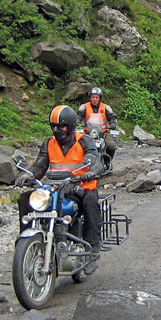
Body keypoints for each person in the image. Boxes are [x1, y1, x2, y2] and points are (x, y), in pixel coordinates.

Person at [19, 105, 104, 258]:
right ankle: (25, 243)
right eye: (54, 126)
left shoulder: (85, 140)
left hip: (81, 186)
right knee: (25, 199)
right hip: (55, 187)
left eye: (62, 126)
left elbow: (94, 159)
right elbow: (40, 165)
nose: (58, 130)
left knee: (91, 202)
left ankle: (92, 247)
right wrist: (29, 175)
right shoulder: (49, 143)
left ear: (71, 126)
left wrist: (91, 172)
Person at [77, 86, 118, 167]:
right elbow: (78, 115)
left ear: (99, 98)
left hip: (103, 132)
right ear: (90, 98)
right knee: (78, 144)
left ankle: (107, 161)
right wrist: (77, 121)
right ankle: (79, 162)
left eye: (96, 97)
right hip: (88, 132)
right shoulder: (84, 107)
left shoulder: (106, 107)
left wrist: (113, 123)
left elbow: (112, 117)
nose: (94, 99)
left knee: (111, 145)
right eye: (93, 97)